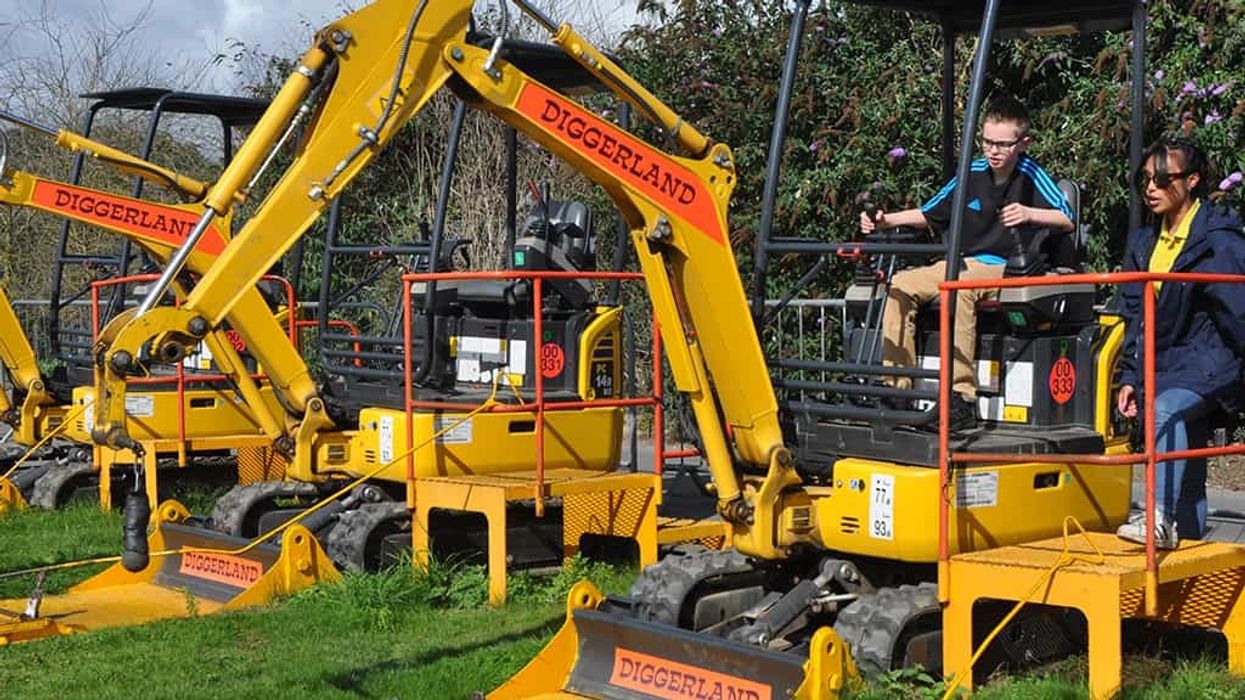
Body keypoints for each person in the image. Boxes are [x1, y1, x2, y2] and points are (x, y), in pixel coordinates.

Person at [860, 96, 1074, 431]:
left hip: (1010, 266)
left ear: (1023, 143)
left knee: (959, 290)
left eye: (1003, 144)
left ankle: (961, 397)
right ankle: (896, 388)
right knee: (901, 283)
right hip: (963, 262)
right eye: (988, 142)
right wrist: (885, 221)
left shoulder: (1032, 174)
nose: (994, 151)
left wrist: (1030, 213)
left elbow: (1068, 216)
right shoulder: (971, 173)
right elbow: (930, 212)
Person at [1115, 136, 1245, 548]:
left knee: (1168, 410)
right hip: (1168, 364)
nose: (1151, 188)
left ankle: (1158, 517)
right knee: (1187, 472)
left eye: (1161, 179)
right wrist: (1131, 376)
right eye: (1145, 180)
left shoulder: (1218, 241)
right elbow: (1136, 317)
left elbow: (1240, 313)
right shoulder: (1144, 243)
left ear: (1191, 181)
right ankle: (1185, 553)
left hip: (1212, 361)